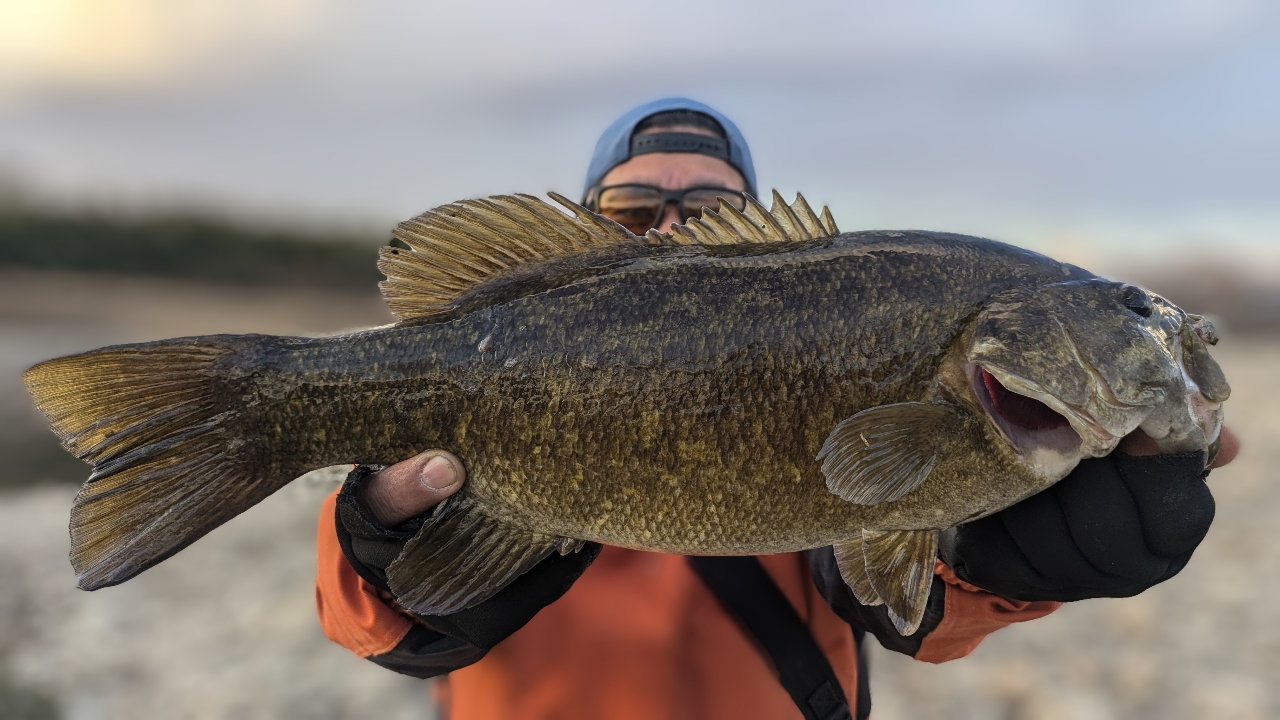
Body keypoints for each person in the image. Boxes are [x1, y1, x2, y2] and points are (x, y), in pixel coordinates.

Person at [315, 98, 1239, 720]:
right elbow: (394, 631)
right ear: (584, 227)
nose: (672, 226)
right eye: (636, 211)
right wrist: (375, 545)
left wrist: (1005, 564)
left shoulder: (944, 383)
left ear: (758, 233)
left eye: (711, 208)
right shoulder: (472, 370)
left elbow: (897, 599)